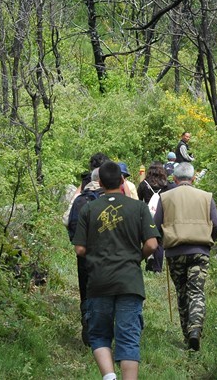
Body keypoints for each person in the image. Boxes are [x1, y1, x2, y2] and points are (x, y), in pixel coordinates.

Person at [73, 161, 160, 380]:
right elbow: (152, 245)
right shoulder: (138, 208)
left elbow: (80, 248)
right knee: (128, 337)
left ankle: (109, 376)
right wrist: (134, 258)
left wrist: (97, 256)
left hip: (99, 281)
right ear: (122, 181)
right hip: (129, 281)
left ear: (100, 183)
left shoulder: (89, 209)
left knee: (100, 334)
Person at [153, 162, 217, 352]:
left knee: (182, 292)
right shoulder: (206, 197)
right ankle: (195, 330)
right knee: (196, 291)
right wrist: (209, 241)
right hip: (200, 251)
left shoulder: (165, 197)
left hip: (175, 252)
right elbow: (216, 224)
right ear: (193, 178)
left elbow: (155, 225)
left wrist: (162, 242)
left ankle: (187, 335)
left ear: (173, 179)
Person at [66, 168, 104, 346]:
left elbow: (68, 221)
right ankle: (99, 328)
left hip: (83, 253)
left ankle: (86, 317)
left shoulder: (80, 199)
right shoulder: (107, 199)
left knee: (85, 288)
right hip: (104, 254)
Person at [136, 162, 175, 273]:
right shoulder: (166, 185)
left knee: (148, 238)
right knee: (160, 240)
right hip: (162, 214)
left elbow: (139, 200)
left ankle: (149, 261)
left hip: (147, 215)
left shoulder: (144, 184)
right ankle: (157, 267)